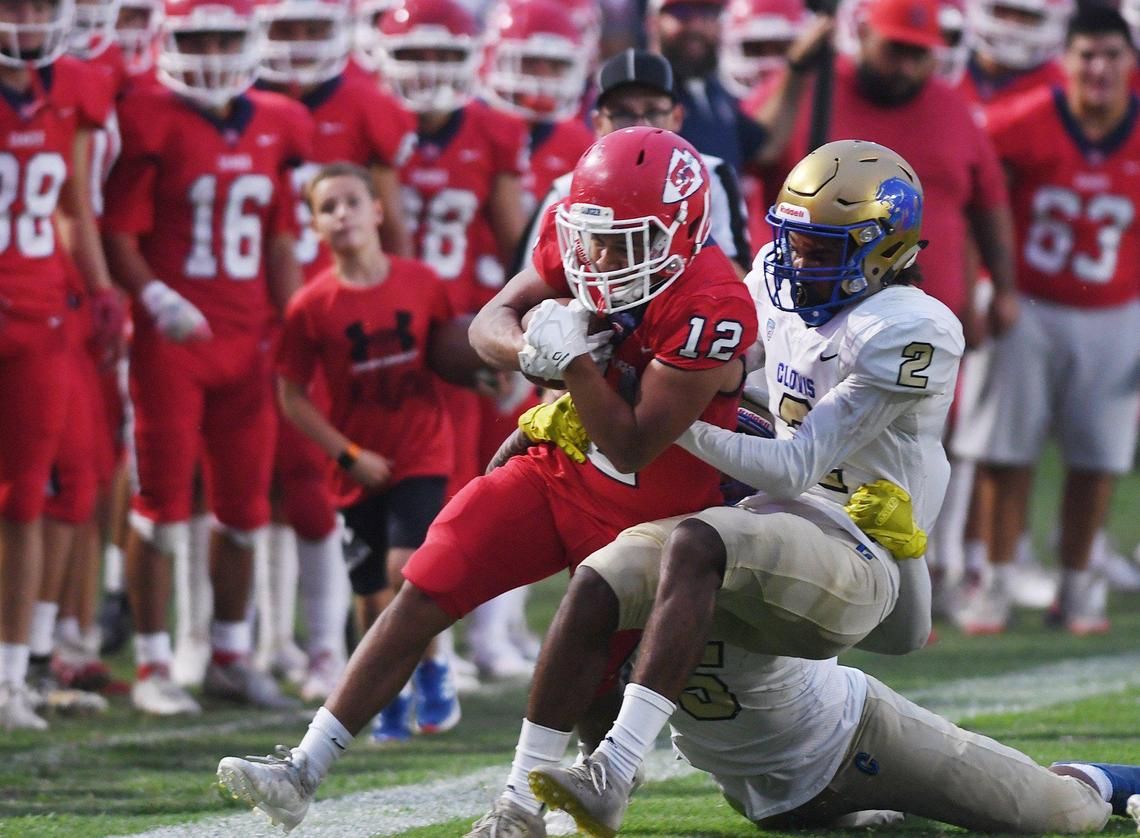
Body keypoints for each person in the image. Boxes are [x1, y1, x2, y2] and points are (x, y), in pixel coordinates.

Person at [215, 126, 758, 832]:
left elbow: (632, 445)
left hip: (650, 511)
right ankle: (303, 768)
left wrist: (576, 366)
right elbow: (487, 323)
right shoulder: (592, 240)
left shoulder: (714, 303)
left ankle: (521, 807)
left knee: (589, 686)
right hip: (558, 469)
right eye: (594, 236)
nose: (601, 256)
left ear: (682, 229)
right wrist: (534, 349)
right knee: (427, 584)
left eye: (627, 240)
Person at [492, 138, 966, 836]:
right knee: (607, 568)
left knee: (695, 540)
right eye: (795, 241)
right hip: (774, 511)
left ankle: (618, 768)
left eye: (824, 248)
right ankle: (543, 793)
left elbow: (795, 464)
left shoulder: (907, 329)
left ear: (884, 249)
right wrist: (600, 394)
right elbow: (718, 363)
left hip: (867, 545)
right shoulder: (776, 270)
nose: (798, 261)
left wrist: (655, 423)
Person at [101, 0, 312, 715]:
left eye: (227, 35)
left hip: (248, 341)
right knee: (160, 507)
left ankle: (229, 654)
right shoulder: (149, 116)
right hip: (173, 342)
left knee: (245, 510)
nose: (215, 50)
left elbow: (282, 237)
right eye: (201, 36)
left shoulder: (279, 120)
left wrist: (294, 323)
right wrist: (155, 300)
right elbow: (118, 233)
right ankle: (155, 663)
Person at [276, 162, 481, 741]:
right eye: (328, 207)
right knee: (370, 596)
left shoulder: (421, 281)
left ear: (377, 211)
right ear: (315, 225)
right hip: (357, 465)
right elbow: (292, 395)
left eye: (351, 202)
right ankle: (388, 694)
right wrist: (346, 455)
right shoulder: (311, 305)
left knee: (407, 569)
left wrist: (485, 372)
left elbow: (455, 349)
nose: (341, 214)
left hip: (421, 449)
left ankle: (436, 668)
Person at [951, 6, 1140, 635]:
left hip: (1116, 309)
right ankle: (994, 578)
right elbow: (973, 191)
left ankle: (1079, 584)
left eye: (1112, 55)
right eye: (1087, 55)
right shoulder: (1023, 120)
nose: (1099, 69)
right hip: (1026, 303)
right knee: (1004, 452)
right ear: (1065, 61)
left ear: (1130, 62)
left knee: (1098, 457)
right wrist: (985, 285)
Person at [250, 0, 417, 703]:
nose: (295, 43)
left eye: (310, 26)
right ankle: (270, 642)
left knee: (323, 484)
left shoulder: (364, 105)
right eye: (283, 26)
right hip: (252, 310)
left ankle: (324, 646)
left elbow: (392, 224)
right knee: (259, 491)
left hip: (341, 319)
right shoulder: (250, 106)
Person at [564, 635, 1140, 835]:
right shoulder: (627, 563)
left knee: (1064, 814)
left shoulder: (765, 539)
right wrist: (605, 761)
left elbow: (903, 629)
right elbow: (587, 675)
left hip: (860, 737)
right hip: (764, 796)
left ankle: (1117, 782)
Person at [0, 0, 123, 730]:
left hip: (41, 309)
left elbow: (75, 203)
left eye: (42, 4)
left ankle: (13, 675)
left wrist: (101, 289)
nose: (28, 17)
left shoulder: (71, 84)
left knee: (25, 497)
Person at [521, 49, 753, 280]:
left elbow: (738, 280)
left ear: (677, 117)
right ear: (598, 123)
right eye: (622, 113)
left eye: (653, 111)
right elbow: (527, 283)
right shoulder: (565, 188)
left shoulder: (710, 175)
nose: (640, 124)